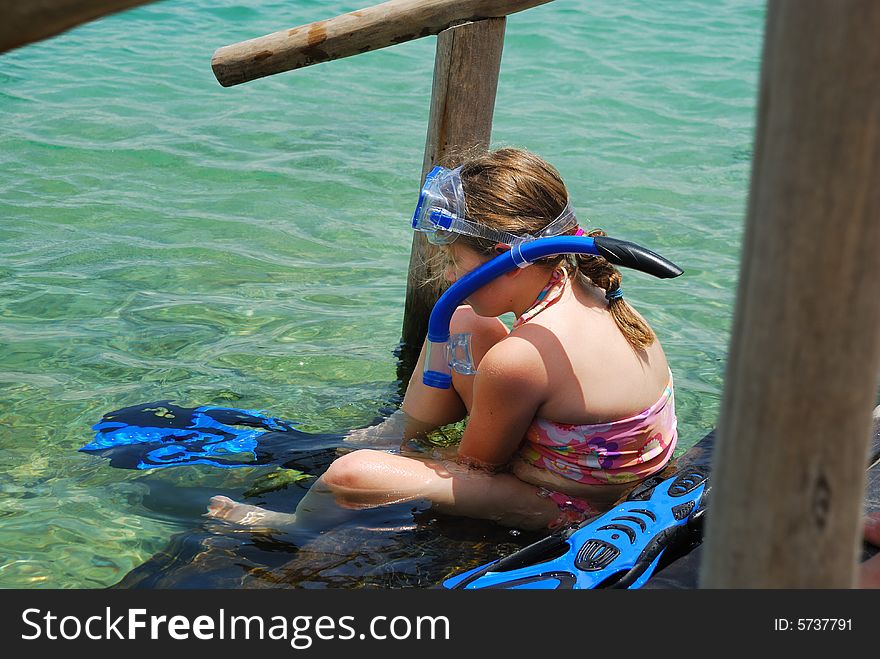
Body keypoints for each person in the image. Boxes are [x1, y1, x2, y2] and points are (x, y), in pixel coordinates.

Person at [207, 147, 678, 532]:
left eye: (455, 260)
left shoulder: (519, 358)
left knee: (352, 475)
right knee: (464, 324)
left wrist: (409, 468)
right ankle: (398, 432)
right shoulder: (597, 291)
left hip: (569, 506)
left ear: (502, 257)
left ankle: (292, 528)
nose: (451, 274)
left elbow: (477, 468)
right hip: (590, 467)